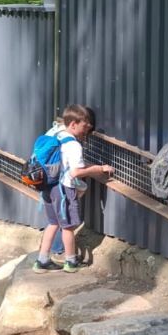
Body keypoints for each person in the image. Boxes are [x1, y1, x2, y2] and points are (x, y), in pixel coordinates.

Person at [33, 104, 112, 273]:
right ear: (74, 124)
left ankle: (42, 260)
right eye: (85, 127)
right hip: (64, 189)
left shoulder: (55, 132)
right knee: (68, 227)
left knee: (53, 223)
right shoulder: (74, 145)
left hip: (48, 185)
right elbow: (76, 172)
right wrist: (98, 169)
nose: (86, 132)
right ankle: (71, 261)